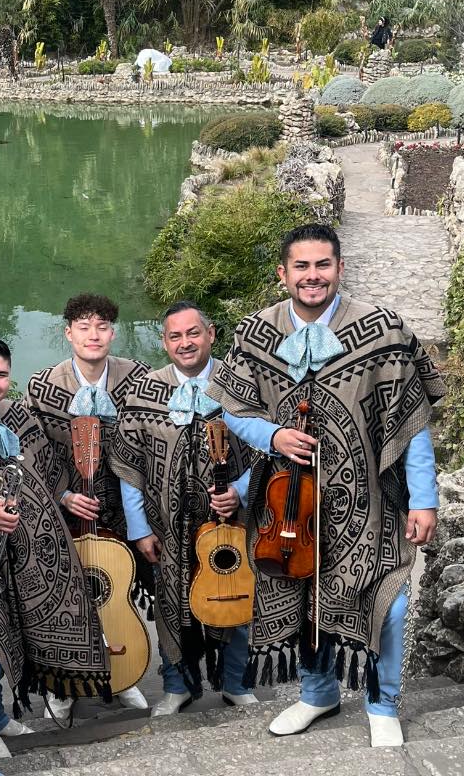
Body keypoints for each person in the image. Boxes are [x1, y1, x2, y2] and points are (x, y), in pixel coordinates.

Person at [205, 223, 443, 748]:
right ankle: (318, 694)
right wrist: (273, 435)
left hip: (371, 502)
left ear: (339, 267)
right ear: (283, 273)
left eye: (323, 265)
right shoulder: (255, 333)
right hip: (285, 505)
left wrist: (424, 499)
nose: (313, 276)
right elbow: (233, 407)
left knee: (387, 600)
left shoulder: (384, 332)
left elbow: (413, 422)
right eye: (302, 267)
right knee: (297, 595)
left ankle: (383, 704)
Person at [0, 336, 110, 761]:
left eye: (0, 375)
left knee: (14, 640)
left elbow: (48, 469)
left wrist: (66, 498)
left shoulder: (17, 415)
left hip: (26, 554)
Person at [111, 301, 257, 718]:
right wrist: (139, 528)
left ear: (211, 334)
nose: (185, 343)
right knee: (171, 605)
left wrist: (241, 492)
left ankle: (236, 682)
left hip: (233, 520)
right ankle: (177, 685)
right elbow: (129, 467)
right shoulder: (145, 391)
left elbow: (269, 448)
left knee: (236, 595)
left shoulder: (239, 385)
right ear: (164, 342)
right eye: (175, 336)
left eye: (193, 333)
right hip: (167, 525)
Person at [25, 293, 151, 717]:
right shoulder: (42, 385)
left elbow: (149, 441)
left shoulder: (138, 378)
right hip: (65, 509)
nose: (93, 335)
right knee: (66, 597)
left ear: (112, 333)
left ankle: (122, 672)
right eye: (84, 327)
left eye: (101, 327)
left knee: (118, 589)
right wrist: (63, 495)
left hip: (121, 505)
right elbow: (34, 451)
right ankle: (63, 685)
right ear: (68, 333)